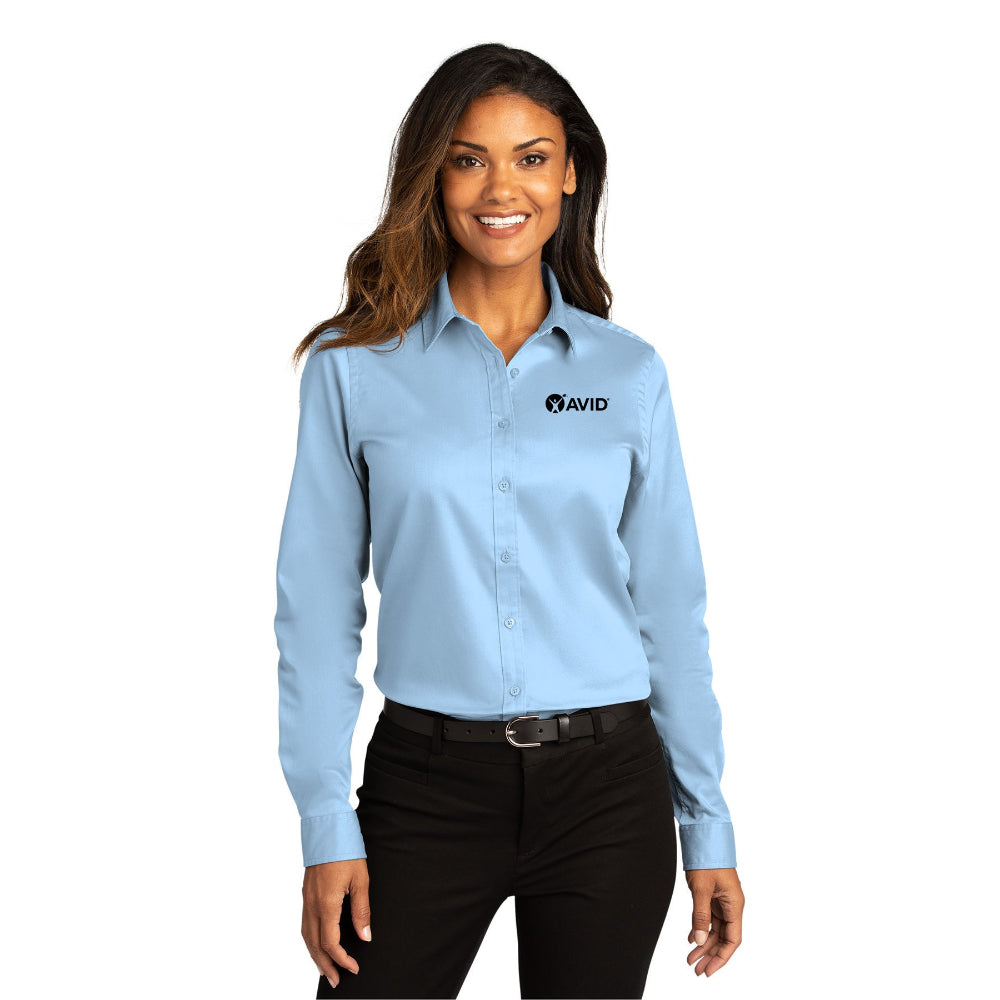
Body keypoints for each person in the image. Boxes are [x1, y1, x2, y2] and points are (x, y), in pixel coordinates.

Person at [274, 42, 744, 999]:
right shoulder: (353, 367)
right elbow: (316, 612)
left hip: (610, 793)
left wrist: (708, 824)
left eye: (532, 157)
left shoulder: (628, 373)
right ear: (432, 175)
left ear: (570, 173)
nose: (502, 188)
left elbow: (670, 611)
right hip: (424, 787)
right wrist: (326, 824)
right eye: (468, 158)